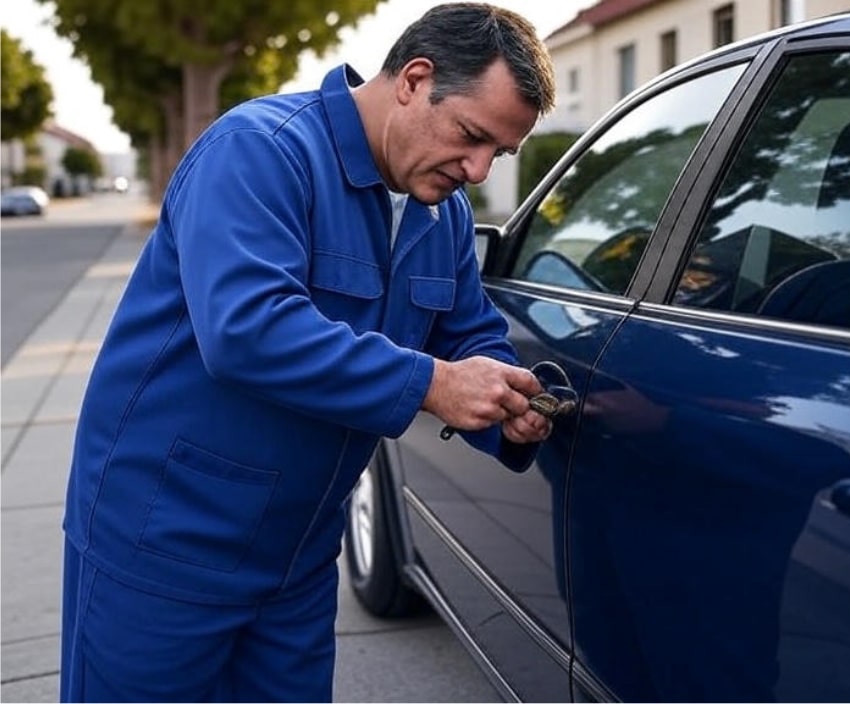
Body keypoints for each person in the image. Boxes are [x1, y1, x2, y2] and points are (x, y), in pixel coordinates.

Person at [59, 3, 556, 701]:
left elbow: (466, 334)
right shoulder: (261, 151)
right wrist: (431, 383)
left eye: (497, 154)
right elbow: (247, 330)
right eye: (472, 136)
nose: (477, 169)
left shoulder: (441, 214)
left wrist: (507, 403)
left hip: (297, 560)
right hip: (164, 550)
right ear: (415, 79)